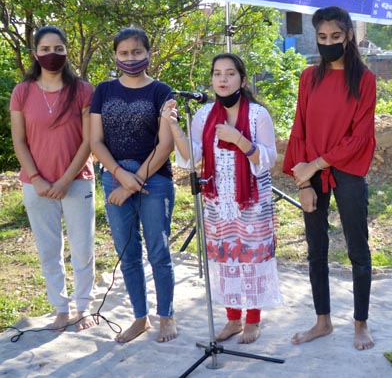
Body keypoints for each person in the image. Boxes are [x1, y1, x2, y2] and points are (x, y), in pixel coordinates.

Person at [162, 53, 283, 344]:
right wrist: (174, 127)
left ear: (242, 79)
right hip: (218, 202)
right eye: (217, 74)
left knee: (252, 260)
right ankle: (233, 319)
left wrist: (238, 138)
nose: (223, 79)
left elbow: (268, 159)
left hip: (253, 201)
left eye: (230, 74)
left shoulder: (257, 115)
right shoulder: (203, 115)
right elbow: (190, 157)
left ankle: (253, 321)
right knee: (226, 258)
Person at [283, 6, 377, 350]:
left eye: (335, 37)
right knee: (315, 249)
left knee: (358, 248)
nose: (328, 43)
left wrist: (318, 163)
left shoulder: (365, 80)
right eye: (322, 37)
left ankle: (360, 323)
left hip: (348, 171)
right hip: (311, 172)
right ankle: (322, 321)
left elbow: (360, 136)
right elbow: (300, 129)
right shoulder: (309, 77)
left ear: (349, 35)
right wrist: (305, 180)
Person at [89, 27, 177, 343]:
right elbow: (95, 141)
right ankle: (140, 317)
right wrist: (118, 174)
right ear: (115, 56)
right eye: (124, 53)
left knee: (158, 250)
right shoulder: (103, 91)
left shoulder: (161, 91)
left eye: (137, 52)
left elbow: (166, 144)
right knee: (128, 255)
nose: (131, 58)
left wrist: (132, 182)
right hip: (113, 175)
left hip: (154, 179)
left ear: (148, 53)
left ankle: (166, 316)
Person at [10, 26, 96, 331]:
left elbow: (89, 141)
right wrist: (37, 178)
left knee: (82, 247)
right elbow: (19, 141)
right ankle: (60, 308)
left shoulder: (84, 90)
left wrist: (64, 180)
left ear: (66, 52)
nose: (52, 55)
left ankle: (83, 306)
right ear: (35, 54)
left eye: (58, 49)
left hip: (77, 181)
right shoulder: (22, 92)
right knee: (49, 249)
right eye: (45, 49)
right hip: (36, 185)